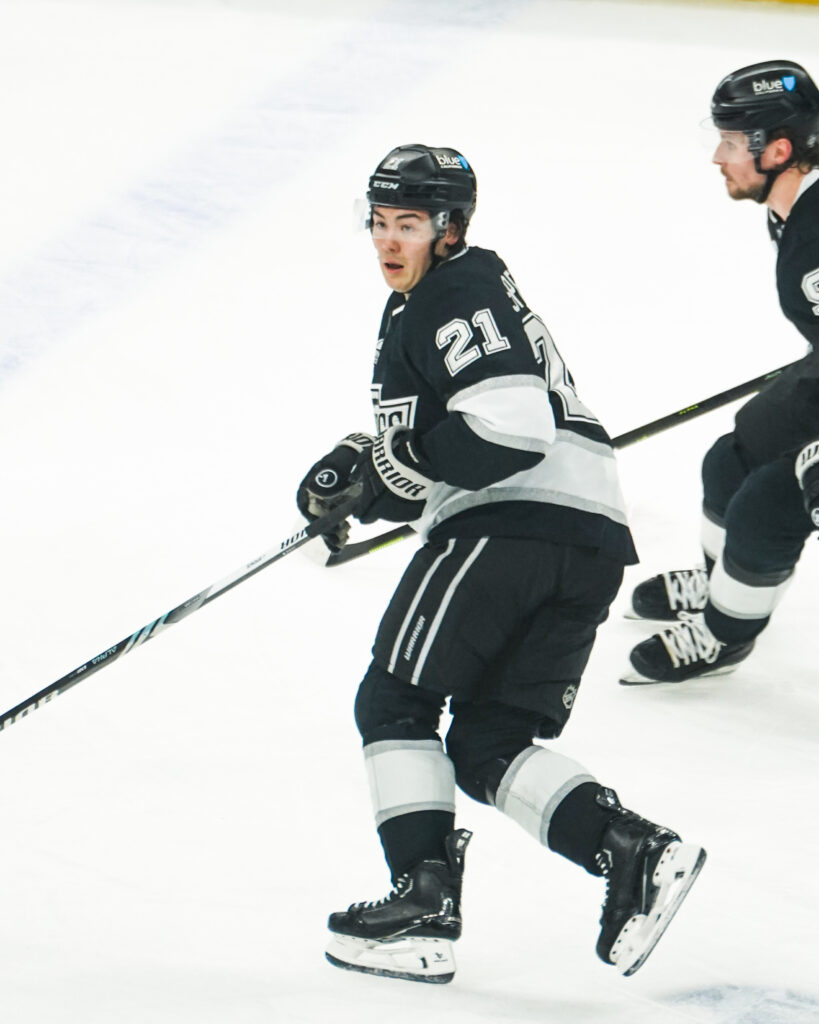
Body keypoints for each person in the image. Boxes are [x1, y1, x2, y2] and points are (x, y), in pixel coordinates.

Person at [296, 144, 705, 984]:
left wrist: (390, 465)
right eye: (377, 222)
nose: (386, 240)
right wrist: (371, 470)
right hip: (582, 538)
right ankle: (630, 849)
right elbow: (455, 442)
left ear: (449, 229)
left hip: (508, 529)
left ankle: (422, 902)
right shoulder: (447, 299)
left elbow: (510, 429)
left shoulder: (453, 290)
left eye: (407, 223)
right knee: (487, 745)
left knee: (394, 700)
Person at [622, 60, 819, 685]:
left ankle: (724, 636)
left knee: (769, 503)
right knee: (730, 462)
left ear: (778, 150)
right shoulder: (790, 204)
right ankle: (720, 584)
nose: (717, 156)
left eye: (732, 142)